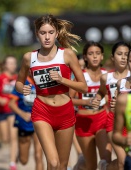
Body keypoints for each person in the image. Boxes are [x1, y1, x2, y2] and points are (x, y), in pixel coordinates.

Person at [15, 14, 88, 170]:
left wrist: (63, 80)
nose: (47, 37)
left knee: (61, 165)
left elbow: (83, 87)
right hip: (42, 111)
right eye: (43, 33)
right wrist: (23, 88)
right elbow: (19, 83)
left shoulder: (67, 54)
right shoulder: (29, 57)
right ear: (36, 34)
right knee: (53, 162)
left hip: (65, 112)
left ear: (56, 34)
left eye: (50, 32)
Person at [70, 41, 111, 170]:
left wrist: (107, 98)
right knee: (90, 166)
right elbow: (67, 99)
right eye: (91, 54)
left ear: (102, 56)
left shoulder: (108, 75)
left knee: (106, 161)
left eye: (97, 53)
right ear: (85, 57)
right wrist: (86, 102)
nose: (94, 56)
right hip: (83, 121)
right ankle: (78, 166)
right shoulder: (79, 76)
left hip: (102, 119)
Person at [92, 41, 131, 170]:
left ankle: (106, 167)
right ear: (113, 57)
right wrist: (97, 99)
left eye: (127, 54)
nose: (124, 57)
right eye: (120, 54)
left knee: (129, 162)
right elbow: (101, 92)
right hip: (113, 122)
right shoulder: (106, 78)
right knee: (122, 161)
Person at [9, 73, 44, 170]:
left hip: (40, 121)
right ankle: (18, 157)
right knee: (23, 161)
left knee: (38, 155)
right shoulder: (22, 83)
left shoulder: (42, 81)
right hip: (24, 123)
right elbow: (11, 104)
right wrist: (22, 114)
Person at [0, 56, 18, 170]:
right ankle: (13, 154)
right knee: (5, 138)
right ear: (5, 65)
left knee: (13, 136)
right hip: (1, 111)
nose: (12, 65)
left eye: (14, 63)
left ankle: (12, 162)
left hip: (12, 110)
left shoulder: (17, 78)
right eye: (10, 63)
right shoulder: (0, 78)